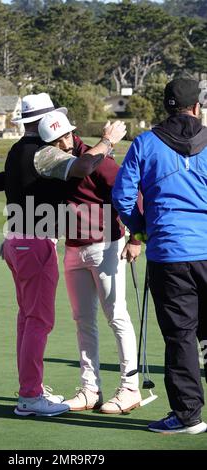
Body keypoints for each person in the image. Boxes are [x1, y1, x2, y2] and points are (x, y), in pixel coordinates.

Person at [0, 92, 126, 417]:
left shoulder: (18, 149)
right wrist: (107, 142)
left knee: (27, 318)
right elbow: (82, 166)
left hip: (15, 241)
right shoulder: (42, 152)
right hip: (35, 242)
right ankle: (30, 396)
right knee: (38, 321)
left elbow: (10, 178)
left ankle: (31, 387)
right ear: (41, 121)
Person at [112, 77, 207, 434]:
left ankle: (187, 416)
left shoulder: (146, 143)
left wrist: (141, 231)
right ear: (196, 107)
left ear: (165, 106)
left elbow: (122, 197)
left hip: (169, 253)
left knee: (181, 336)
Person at [37, 111, 142, 414]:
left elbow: (131, 192)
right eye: (58, 140)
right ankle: (90, 389)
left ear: (73, 132)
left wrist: (135, 237)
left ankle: (130, 388)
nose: (65, 142)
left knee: (116, 316)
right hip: (73, 249)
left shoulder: (98, 159)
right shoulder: (54, 161)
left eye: (67, 135)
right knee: (83, 320)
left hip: (106, 245)